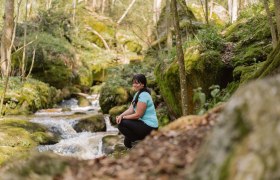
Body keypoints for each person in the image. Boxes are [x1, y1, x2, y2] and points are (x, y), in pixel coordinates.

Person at [116, 74, 158, 148]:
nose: (134, 85)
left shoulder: (144, 95)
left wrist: (123, 118)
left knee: (122, 123)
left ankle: (138, 141)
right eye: (133, 83)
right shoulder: (138, 94)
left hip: (150, 126)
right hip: (143, 123)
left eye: (137, 83)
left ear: (142, 84)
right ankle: (134, 141)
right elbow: (131, 110)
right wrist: (121, 115)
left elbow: (138, 115)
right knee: (126, 141)